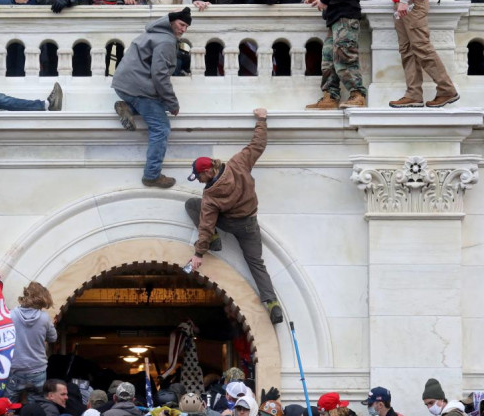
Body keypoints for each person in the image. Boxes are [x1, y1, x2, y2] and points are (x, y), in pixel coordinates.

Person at [184, 108, 283, 325]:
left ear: (207, 172)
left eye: (199, 176)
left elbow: (206, 225)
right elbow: (258, 145)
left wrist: (199, 252)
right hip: (249, 224)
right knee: (256, 263)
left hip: (229, 223)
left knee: (192, 205)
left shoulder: (210, 196)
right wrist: (261, 119)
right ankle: (272, 302)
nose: (199, 180)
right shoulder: (238, 164)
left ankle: (215, 241)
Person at [111, 7, 193, 189]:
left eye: (186, 27)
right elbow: (160, 76)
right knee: (161, 128)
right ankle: (151, 175)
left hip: (124, 85)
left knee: (157, 105)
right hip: (138, 87)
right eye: (181, 24)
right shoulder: (166, 41)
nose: (183, 30)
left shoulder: (154, 32)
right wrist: (173, 104)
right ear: (171, 22)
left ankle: (128, 107)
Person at [388, 0, 459, 108]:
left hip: (411, 3)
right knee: (407, 50)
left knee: (422, 48)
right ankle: (413, 94)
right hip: (401, 4)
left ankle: (447, 89)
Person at [303, 0, 367, 109]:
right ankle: (330, 96)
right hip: (335, 17)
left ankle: (358, 95)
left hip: (345, 15)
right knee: (328, 60)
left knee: (345, 56)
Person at [5, 282, 58, 403]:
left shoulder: (11, 315)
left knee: (8, 406)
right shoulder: (44, 318)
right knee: (37, 406)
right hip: (37, 369)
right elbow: (53, 338)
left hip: (15, 368)